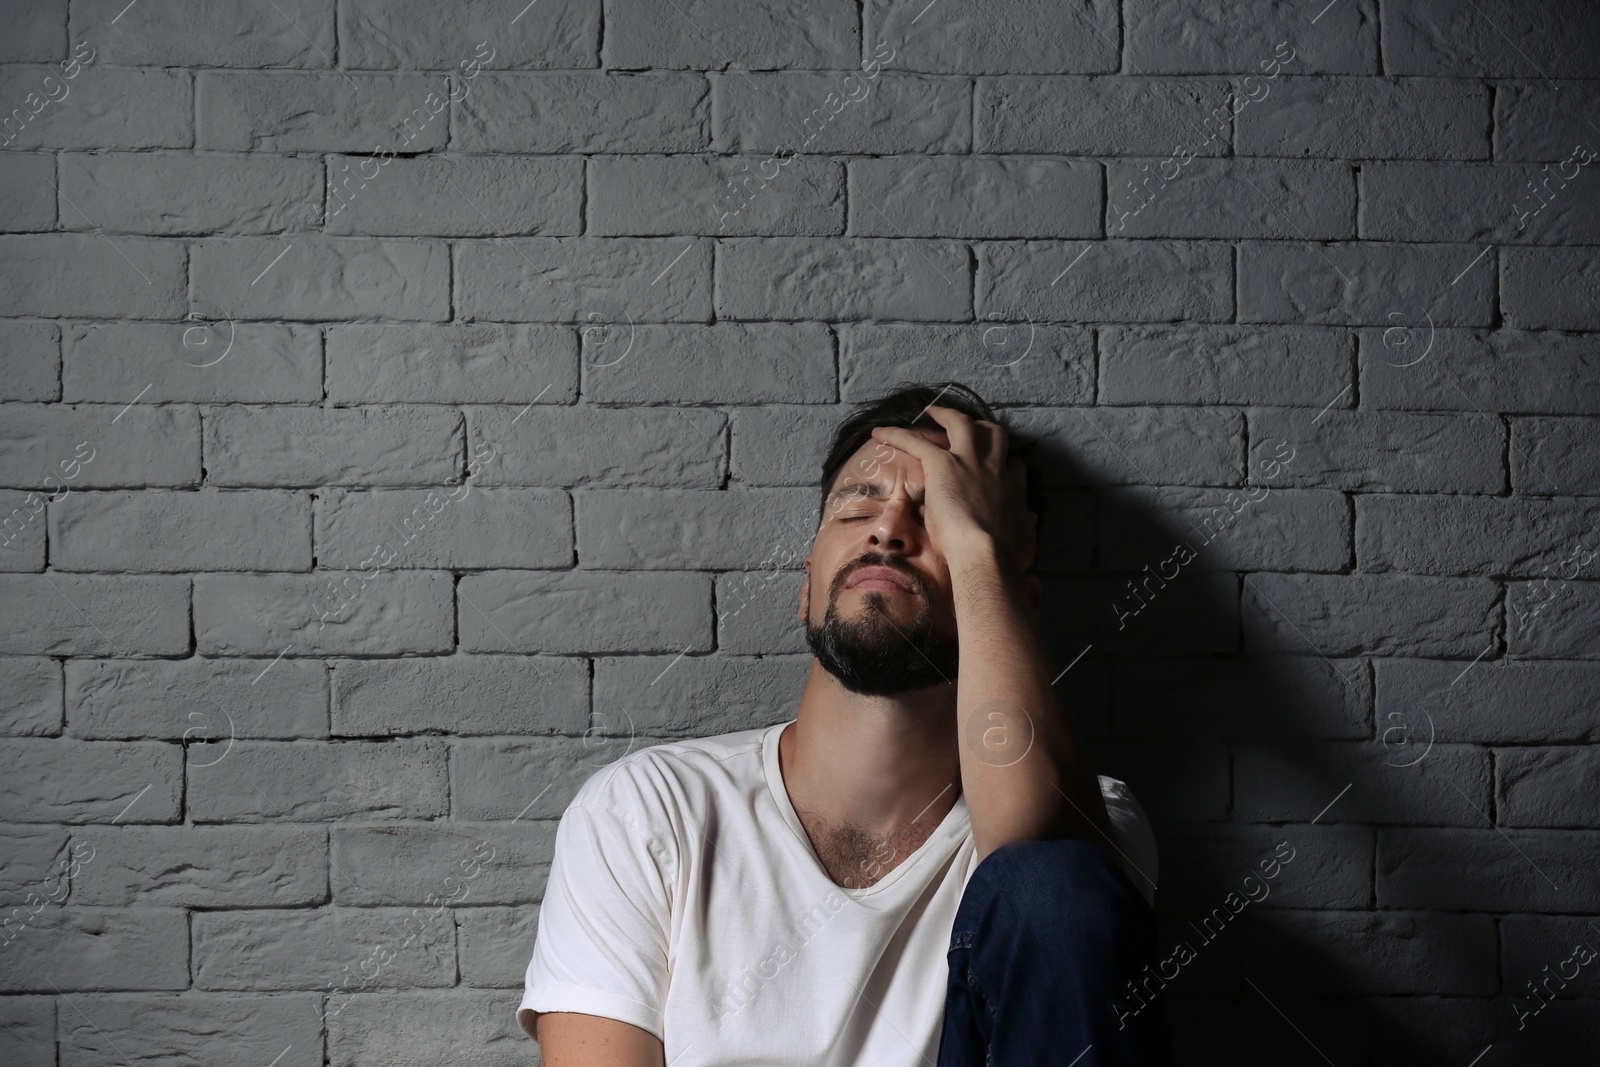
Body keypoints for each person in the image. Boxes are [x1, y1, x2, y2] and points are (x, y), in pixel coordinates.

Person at [517, 381, 1176, 1065]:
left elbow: (1042, 874)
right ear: (807, 584)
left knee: (1057, 884)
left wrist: (981, 552)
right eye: (858, 504)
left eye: (937, 517)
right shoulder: (647, 812)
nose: (888, 529)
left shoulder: (1099, 822)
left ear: (1009, 602)